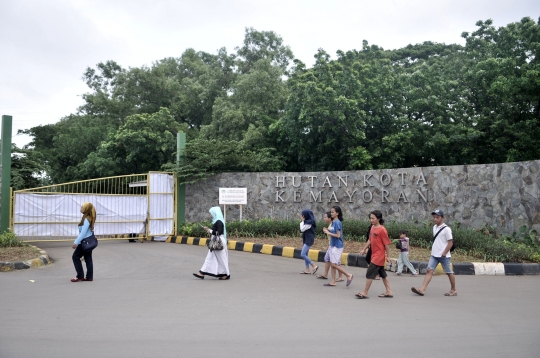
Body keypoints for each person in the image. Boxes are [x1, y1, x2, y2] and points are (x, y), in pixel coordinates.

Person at [412, 209, 456, 296]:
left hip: (444, 256)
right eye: (434, 217)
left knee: (449, 272)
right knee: (429, 270)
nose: (435, 219)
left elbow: (450, 243)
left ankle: (453, 289)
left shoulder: (447, 229)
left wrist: (444, 253)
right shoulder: (434, 227)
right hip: (434, 255)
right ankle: (422, 289)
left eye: (437, 217)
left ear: (442, 218)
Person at [356, 210, 393, 299]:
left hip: (379, 256)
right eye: (370, 218)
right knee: (382, 273)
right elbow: (370, 239)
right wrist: (364, 249)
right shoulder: (372, 227)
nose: (371, 220)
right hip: (373, 254)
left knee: (370, 273)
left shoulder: (382, 230)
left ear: (378, 219)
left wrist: (388, 256)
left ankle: (365, 292)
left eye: (373, 218)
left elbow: (386, 244)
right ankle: (389, 291)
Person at [193, 206, 230, 280]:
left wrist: (210, 231)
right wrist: (209, 229)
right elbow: (215, 231)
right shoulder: (217, 221)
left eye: (211, 213)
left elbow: (219, 232)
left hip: (218, 242)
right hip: (215, 241)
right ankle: (202, 273)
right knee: (210, 257)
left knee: (221, 258)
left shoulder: (219, 221)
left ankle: (226, 274)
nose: (210, 215)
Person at [321, 206, 353, 287]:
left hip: (338, 246)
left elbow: (338, 235)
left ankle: (348, 275)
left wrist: (328, 233)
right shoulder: (333, 222)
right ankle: (333, 281)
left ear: (337, 213)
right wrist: (327, 230)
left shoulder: (338, 222)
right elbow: (332, 232)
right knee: (332, 263)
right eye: (331, 212)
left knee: (334, 264)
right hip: (332, 245)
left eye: (333, 212)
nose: (331, 213)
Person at [71, 202, 96, 282]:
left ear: (86, 209)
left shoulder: (86, 219)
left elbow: (83, 233)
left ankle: (80, 276)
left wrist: (76, 242)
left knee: (75, 257)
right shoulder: (88, 217)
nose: (80, 208)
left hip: (84, 242)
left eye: (82, 207)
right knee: (88, 258)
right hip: (88, 241)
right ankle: (89, 277)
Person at [316, 211, 344, 281]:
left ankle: (344, 276)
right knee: (328, 259)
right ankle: (327, 275)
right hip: (331, 245)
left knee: (335, 262)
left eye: (326, 217)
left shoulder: (335, 223)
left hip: (336, 245)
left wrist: (327, 232)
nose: (324, 218)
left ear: (330, 218)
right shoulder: (332, 224)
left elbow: (337, 235)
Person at [299, 209, 319, 274]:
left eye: (303, 215)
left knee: (303, 254)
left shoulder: (309, 223)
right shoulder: (308, 222)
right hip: (306, 238)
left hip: (309, 239)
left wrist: (302, 221)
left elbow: (302, 229)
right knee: (306, 254)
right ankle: (307, 270)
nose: (302, 216)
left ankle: (314, 266)